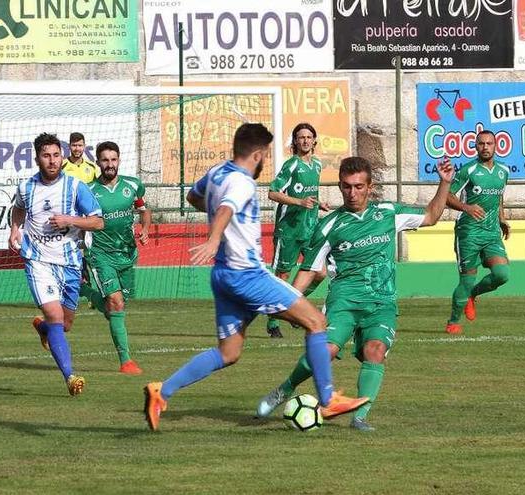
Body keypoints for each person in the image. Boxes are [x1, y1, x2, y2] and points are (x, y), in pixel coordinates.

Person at [142, 123, 368, 431]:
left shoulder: (217, 172)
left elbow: (196, 197)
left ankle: (161, 391)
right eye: (264, 157)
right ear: (258, 154)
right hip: (247, 274)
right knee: (316, 323)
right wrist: (214, 236)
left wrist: (217, 233)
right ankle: (328, 400)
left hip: (222, 275)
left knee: (228, 352)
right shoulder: (243, 182)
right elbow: (225, 209)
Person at [256, 156, 455, 431]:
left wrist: (444, 183)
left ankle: (360, 417)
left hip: (381, 303)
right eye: (347, 187)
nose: (353, 193)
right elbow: (309, 270)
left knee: (376, 351)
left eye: (359, 186)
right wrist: (285, 301)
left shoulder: (388, 213)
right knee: (325, 351)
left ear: (369, 186)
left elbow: (431, 216)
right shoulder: (329, 227)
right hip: (344, 302)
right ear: (340, 186)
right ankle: (285, 388)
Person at [8, 132, 103, 396]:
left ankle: (42, 328)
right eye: (46, 156)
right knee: (56, 316)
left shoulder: (75, 187)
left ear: (62, 157)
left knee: (65, 324)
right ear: (37, 158)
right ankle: (70, 377)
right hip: (38, 260)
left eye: (56, 155)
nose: (52, 161)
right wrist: (15, 229)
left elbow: (97, 221)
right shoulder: (26, 188)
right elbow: (18, 207)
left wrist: (70, 220)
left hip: (71, 262)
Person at [83, 141, 151, 375]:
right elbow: (81, 220)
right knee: (116, 302)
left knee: (119, 306)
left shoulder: (133, 185)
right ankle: (126, 361)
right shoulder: (89, 190)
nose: (110, 164)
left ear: (119, 160)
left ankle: (86, 292)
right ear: (98, 162)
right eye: (105, 160)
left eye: (113, 160)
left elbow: (143, 210)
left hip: (127, 254)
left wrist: (144, 228)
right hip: (100, 255)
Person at [265, 123, 329, 339]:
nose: (305, 141)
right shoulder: (291, 165)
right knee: (282, 276)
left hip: (310, 229)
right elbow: (273, 193)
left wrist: (318, 204)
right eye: (301, 137)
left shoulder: (317, 165)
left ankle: (293, 308)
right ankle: (274, 321)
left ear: (314, 141)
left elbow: (311, 193)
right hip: (289, 230)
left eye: (309, 137)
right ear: (295, 142)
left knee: (320, 272)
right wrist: (299, 202)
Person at [444, 130, 511, 335]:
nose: (485, 147)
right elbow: (447, 195)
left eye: (489, 143)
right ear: (475, 146)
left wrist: (502, 219)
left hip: (491, 233)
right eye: (481, 143)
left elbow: (499, 196)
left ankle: (472, 295)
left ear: (496, 145)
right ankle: (453, 321)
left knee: (502, 274)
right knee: (466, 279)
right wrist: (466, 207)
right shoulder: (468, 170)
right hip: (469, 232)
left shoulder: (503, 171)